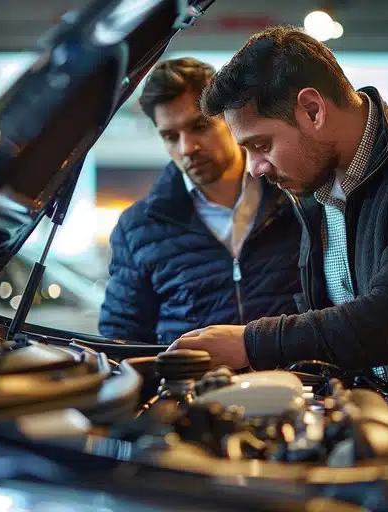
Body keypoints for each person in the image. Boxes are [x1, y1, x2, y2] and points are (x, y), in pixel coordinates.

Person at [168, 28, 388, 392]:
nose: (254, 168)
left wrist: (249, 342)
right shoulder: (315, 183)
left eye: (261, 144)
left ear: (312, 110)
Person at [99, 57, 302, 345]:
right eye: (170, 136)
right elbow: (120, 339)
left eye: (199, 127)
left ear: (229, 119)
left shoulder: (294, 194)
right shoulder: (138, 228)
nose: (187, 148)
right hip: (195, 387)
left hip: (297, 383)